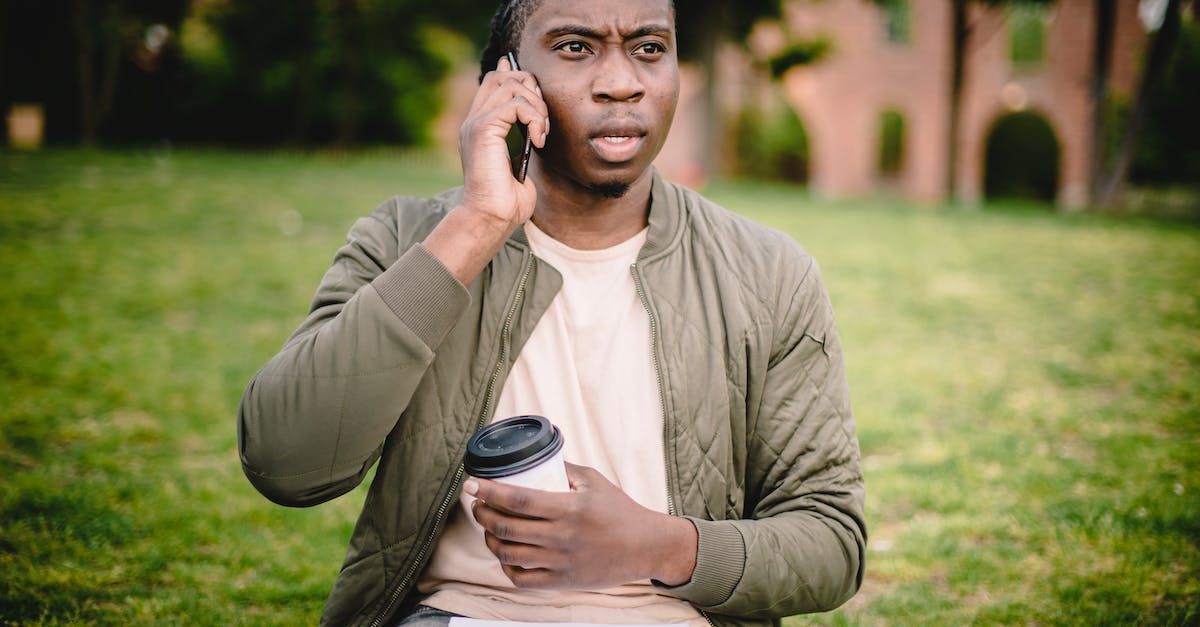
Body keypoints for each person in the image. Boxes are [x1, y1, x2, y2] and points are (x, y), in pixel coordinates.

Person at [237, 0, 866, 625]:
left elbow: (831, 544)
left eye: (649, 48)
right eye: (575, 47)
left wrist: (655, 544)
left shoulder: (768, 273)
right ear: (506, 79)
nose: (621, 83)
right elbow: (286, 462)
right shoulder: (407, 239)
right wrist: (475, 226)